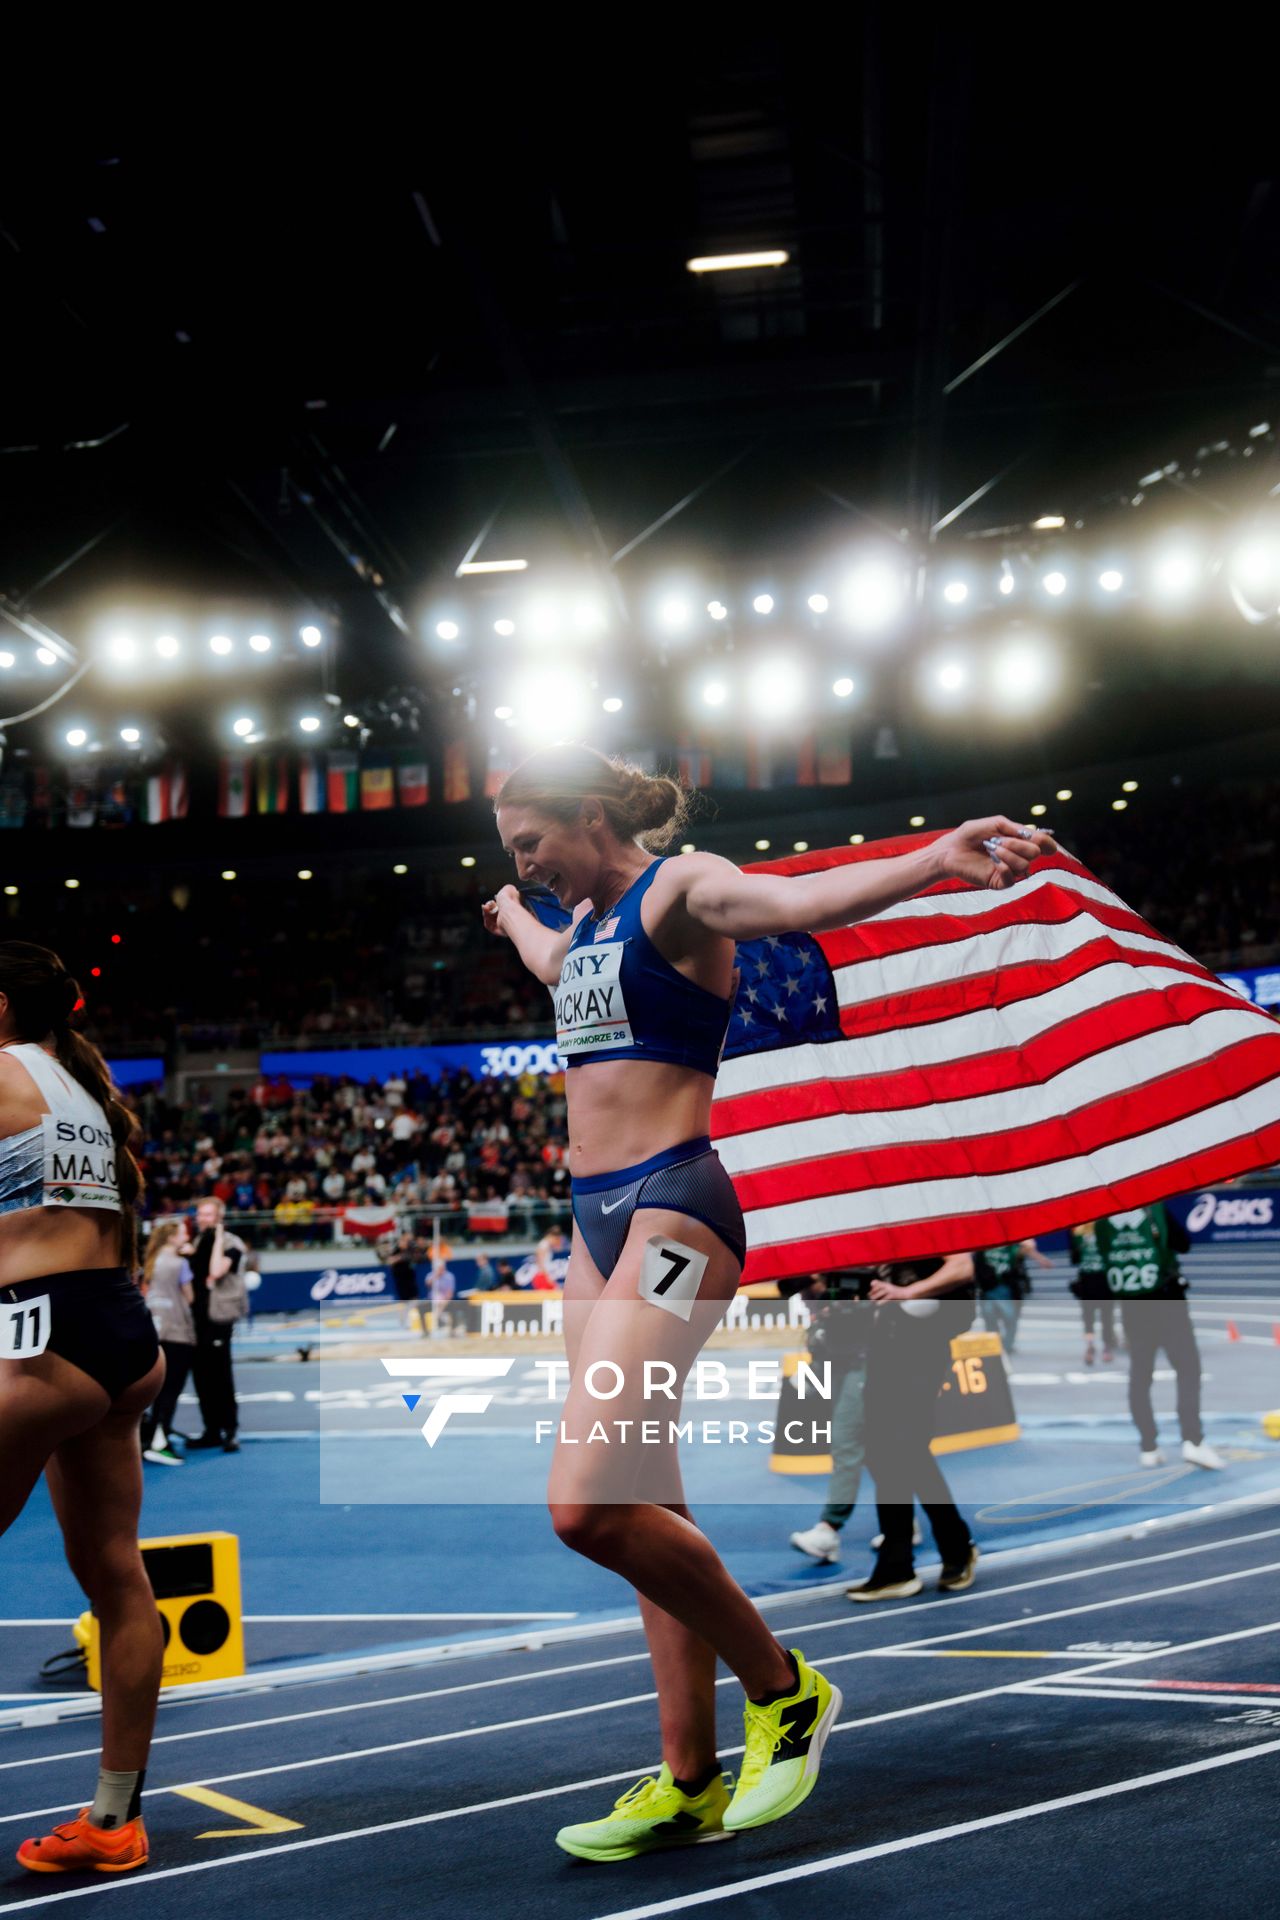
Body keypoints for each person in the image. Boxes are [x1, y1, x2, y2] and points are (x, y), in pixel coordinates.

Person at [485, 743, 1053, 1857]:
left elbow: (797, 898)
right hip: (592, 1223)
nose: (529, 864)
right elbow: (557, 966)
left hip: (672, 1207)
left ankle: (783, 1688)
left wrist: (932, 860)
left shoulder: (681, 886)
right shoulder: (586, 931)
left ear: (590, 815)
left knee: (585, 1506)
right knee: (646, 1501)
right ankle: (685, 1776)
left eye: (531, 842)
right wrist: (510, 909)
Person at [0, 941, 162, 1875]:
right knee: (116, 1576)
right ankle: (113, 1821)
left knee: (112, 1575)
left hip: (40, 1341)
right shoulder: (77, 1087)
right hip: (116, 1331)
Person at [846, 1254, 982, 1601]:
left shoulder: (930, 1209)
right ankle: (910, 1562)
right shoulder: (877, 1231)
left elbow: (963, 1266)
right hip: (884, 1348)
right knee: (882, 1453)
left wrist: (909, 1293)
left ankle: (926, 1556)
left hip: (923, 1347)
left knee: (907, 1450)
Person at [1095, 1203, 1224, 1470]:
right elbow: (1183, 1243)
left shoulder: (1100, 1220)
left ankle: (1148, 1447)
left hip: (1132, 1307)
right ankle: (1193, 1441)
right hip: (1167, 1303)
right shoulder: (1155, 1209)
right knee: (1188, 1369)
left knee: (1140, 1375)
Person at [184, 1198, 249, 1453]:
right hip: (196, 1317)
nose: (202, 1218)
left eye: (208, 1214)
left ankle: (230, 1430)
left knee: (221, 1374)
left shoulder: (232, 1243)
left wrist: (219, 1234)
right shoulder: (197, 1242)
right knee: (201, 1375)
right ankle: (211, 1430)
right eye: (200, 1214)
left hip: (219, 1318)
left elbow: (217, 1271)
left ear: (219, 1217)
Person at [139, 1221, 196, 1466]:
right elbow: (190, 1297)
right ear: (172, 1238)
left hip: (153, 1331)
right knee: (170, 1390)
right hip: (177, 1331)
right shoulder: (180, 1263)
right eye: (183, 1233)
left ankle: (149, 1436)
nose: (186, 1236)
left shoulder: (150, 1261)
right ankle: (159, 1442)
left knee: (156, 1389)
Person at [973, 1238, 1051, 1357]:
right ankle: (996, 1346)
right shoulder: (983, 1242)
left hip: (1008, 1287)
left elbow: (1027, 1246)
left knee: (1010, 1319)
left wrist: (1040, 1258)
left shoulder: (1011, 1242)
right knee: (991, 1319)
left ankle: (1006, 1346)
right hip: (989, 1287)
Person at [1068, 1220, 1118, 1365]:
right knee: (1088, 1316)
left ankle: (1107, 1347)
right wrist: (1081, 1242)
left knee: (1106, 1315)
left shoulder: (1106, 1228)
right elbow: (1074, 1258)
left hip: (1104, 1278)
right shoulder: (1077, 1231)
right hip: (1087, 1278)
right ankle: (1090, 1346)